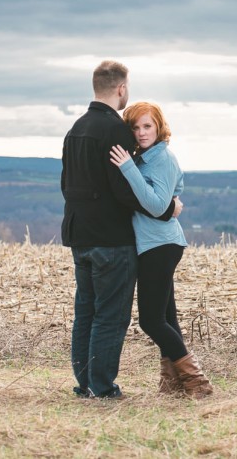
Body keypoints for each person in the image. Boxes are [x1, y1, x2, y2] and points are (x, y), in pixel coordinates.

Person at [61, 60, 183, 399]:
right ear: (121, 89)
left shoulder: (76, 129)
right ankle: (103, 387)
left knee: (85, 311)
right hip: (112, 240)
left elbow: (66, 184)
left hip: (79, 236)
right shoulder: (115, 130)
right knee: (111, 317)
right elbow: (126, 192)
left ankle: (84, 383)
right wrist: (168, 209)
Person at [109, 101, 214, 398]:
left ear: (159, 127)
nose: (142, 133)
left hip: (162, 245)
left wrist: (128, 167)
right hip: (151, 245)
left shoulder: (162, 159)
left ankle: (198, 383)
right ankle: (172, 384)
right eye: (136, 127)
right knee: (167, 319)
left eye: (148, 126)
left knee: (150, 320)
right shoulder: (143, 158)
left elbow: (157, 206)